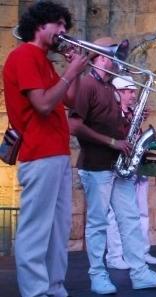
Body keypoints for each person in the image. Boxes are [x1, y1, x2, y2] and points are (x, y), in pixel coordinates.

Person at [69, 36, 156, 295]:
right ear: (101, 57)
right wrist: (112, 142)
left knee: (129, 220)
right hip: (96, 166)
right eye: (112, 56)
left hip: (118, 167)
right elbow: (74, 126)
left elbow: (117, 129)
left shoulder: (108, 88)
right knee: (97, 223)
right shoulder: (87, 84)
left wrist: (133, 121)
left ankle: (140, 273)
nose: (117, 62)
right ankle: (97, 275)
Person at [3, 1, 87, 297]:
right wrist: (70, 71)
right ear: (40, 25)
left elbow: (71, 101)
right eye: (59, 25)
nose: (63, 31)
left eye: (66, 26)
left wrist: (72, 71)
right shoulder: (24, 55)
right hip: (39, 153)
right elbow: (42, 104)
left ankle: (54, 287)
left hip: (57, 152)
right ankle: (35, 292)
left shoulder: (45, 61)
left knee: (58, 230)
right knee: (36, 230)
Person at [106, 76, 156, 270]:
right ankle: (115, 255)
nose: (133, 95)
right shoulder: (112, 112)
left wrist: (139, 119)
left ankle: (142, 251)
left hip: (137, 165)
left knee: (141, 210)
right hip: (119, 167)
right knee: (115, 215)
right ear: (118, 92)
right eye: (129, 92)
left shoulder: (131, 112)